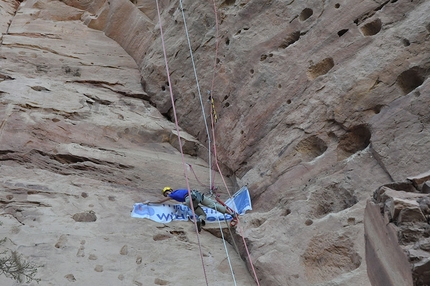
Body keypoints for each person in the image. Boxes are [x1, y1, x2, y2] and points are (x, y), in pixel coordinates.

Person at [146, 186, 236, 232]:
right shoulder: (177, 191)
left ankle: (200, 220)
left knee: (202, 214)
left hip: (188, 201)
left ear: (166, 193)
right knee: (213, 205)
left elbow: (160, 201)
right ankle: (231, 214)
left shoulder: (171, 195)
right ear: (170, 189)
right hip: (194, 195)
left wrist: (149, 202)